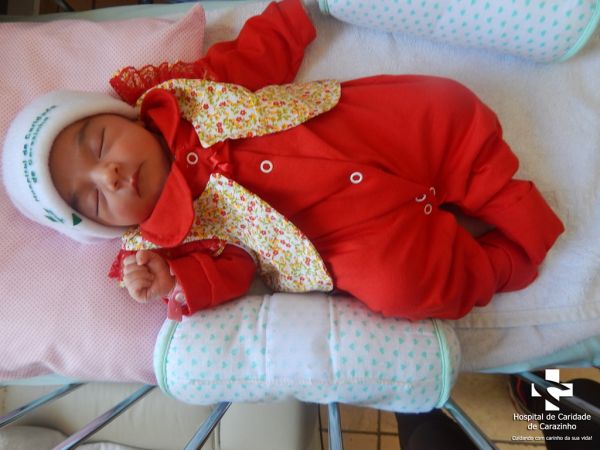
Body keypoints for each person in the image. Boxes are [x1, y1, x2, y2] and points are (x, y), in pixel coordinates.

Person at [2, 0, 564, 322]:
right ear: (108, 228)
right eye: (94, 198)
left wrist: (293, 11)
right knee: (405, 288)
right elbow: (235, 270)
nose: (109, 174)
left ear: (124, 115)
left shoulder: (191, 95)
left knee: (441, 107)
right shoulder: (174, 239)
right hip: (347, 238)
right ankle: (503, 260)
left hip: (357, 130)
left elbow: (258, 55)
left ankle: (499, 192)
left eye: (100, 144)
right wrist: (175, 277)